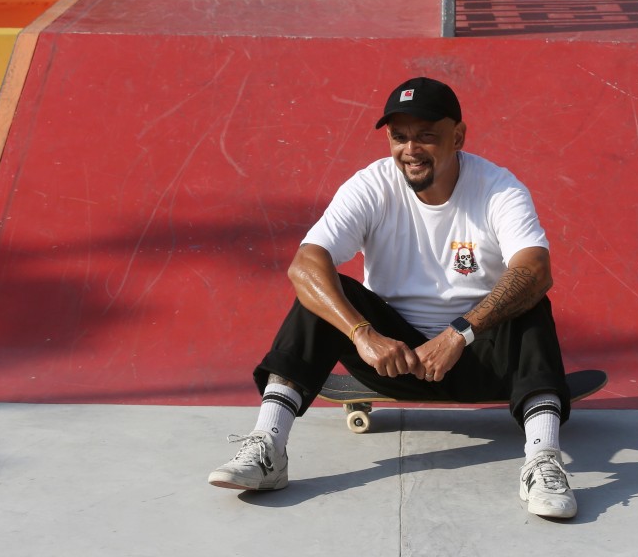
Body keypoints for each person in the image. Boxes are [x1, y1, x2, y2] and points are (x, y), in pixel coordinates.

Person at [208, 76, 577, 519]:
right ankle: (268, 446)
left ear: (458, 136)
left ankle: (543, 458)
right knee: (325, 290)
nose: (411, 149)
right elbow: (304, 263)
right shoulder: (372, 185)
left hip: (483, 357)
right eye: (399, 137)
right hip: (391, 359)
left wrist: (458, 334)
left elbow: (536, 268)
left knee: (528, 298)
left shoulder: (498, 188)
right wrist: (363, 334)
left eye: (426, 136)